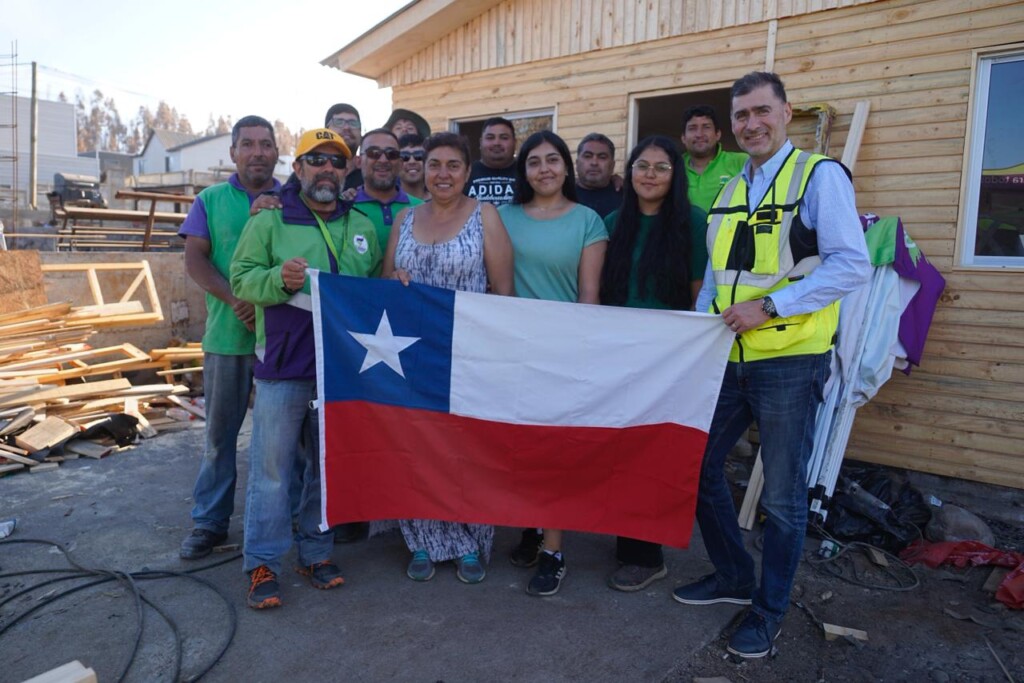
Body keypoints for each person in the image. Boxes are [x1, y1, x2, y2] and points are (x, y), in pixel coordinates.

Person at [677, 72, 871, 658]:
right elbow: (715, 277)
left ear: (786, 113)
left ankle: (768, 611)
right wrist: (697, 332)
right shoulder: (730, 189)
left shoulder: (819, 175)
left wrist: (769, 307)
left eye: (762, 111)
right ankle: (735, 577)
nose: (751, 124)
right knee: (697, 467)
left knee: (783, 500)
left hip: (790, 360)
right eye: (741, 115)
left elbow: (850, 265)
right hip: (728, 359)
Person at [230, 127, 382, 609]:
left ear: (347, 170)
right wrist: (278, 278)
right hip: (283, 367)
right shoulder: (270, 219)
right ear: (297, 169)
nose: (326, 169)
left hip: (341, 371)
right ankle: (262, 563)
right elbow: (241, 278)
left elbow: (374, 290)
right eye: (315, 160)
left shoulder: (362, 224)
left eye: (336, 161)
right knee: (271, 472)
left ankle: (315, 553)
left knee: (325, 469)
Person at [382, 132, 515, 584]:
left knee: (464, 448)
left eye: (453, 165)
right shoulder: (404, 219)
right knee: (415, 446)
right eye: (434, 164)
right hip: (410, 356)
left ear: (467, 172)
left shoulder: (485, 216)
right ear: (421, 169)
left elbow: (504, 292)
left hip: (467, 353)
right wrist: (395, 278)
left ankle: (469, 542)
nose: (443, 173)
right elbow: (383, 283)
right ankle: (421, 540)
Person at [498, 130, 608, 596]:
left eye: (552, 160)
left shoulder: (587, 220)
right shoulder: (500, 217)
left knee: (555, 451)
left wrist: (577, 353)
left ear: (566, 167)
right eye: (534, 161)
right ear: (523, 171)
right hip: (510, 348)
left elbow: (589, 294)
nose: (544, 169)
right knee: (520, 447)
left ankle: (554, 550)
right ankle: (532, 526)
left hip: (562, 350)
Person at [598, 135, 708, 591]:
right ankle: (625, 536)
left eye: (662, 167)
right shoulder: (612, 221)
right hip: (617, 351)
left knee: (651, 451)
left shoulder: (693, 223)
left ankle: (645, 555)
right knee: (618, 447)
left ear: (675, 175)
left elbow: (700, 295)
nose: (650, 174)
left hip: (668, 358)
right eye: (642, 165)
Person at [178, 115, 280, 560]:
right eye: (248, 144)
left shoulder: (291, 200)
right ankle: (210, 522)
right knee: (220, 438)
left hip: (281, 342)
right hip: (227, 339)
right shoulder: (210, 200)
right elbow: (195, 260)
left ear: (277, 152)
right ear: (233, 152)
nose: (258, 152)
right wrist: (236, 298)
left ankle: (291, 516)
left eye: (266, 144)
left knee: (287, 441)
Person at [353, 128, 424, 251]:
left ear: (400, 163)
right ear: (358, 161)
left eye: (391, 154)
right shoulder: (342, 208)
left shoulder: (422, 209)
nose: (383, 160)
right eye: (374, 153)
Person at [680, 104, 748, 212]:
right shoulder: (674, 167)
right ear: (683, 137)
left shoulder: (741, 162)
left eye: (706, 127)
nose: (699, 134)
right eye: (692, 128)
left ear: (717, 134)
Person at [465, 117, 517, 207]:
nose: (496, 143)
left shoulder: (526, 172)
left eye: (504, 138)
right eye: (490, 138)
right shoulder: (465, 173)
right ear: (481, 142)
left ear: (514, 142)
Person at [575, 132, 622, 218]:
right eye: (587, 156)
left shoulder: (627, 197)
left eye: (602, 157)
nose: (594, 163)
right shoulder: (562, 194)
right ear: (577, 163)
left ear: (612, 165)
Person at [325, 103, 364, 191]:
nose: (347, 127)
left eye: (353, 123)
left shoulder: (372, 177)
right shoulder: (309, 174)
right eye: (339, 122)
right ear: (326, 131)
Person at [397, 133, 429, 201]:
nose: (412, 161)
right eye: (405, 156)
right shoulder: (385, 202)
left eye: (419, 155)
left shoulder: (442, 200)